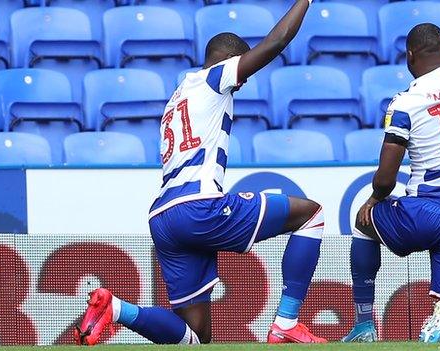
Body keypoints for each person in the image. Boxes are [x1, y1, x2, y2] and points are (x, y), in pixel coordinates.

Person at [74, 0, 326, 345]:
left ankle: (116, 309)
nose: (244, 82)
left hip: (164, 216)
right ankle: (286, 321)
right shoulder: (213, 79)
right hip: (198, 207)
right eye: (244, 72)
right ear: (231, 62)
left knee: (196, 338)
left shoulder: (178, 96)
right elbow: (275, 43)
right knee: (310, 215)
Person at [342, 0, 440, 343]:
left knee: (364, 223)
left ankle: (364, 324)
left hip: (425, 211)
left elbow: (386, 176)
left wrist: (375, 198)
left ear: (410, 56)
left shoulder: (405, 102)